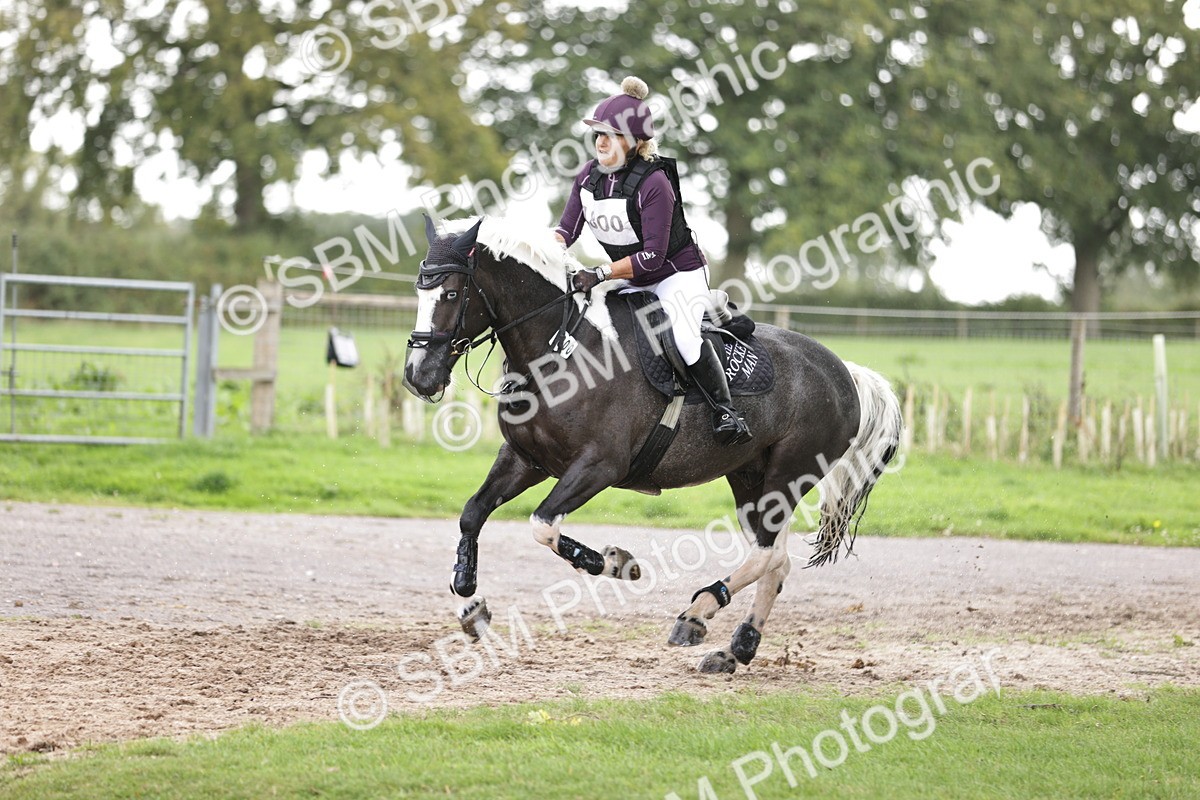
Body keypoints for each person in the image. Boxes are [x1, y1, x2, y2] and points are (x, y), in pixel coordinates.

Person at [553, 76, 752, 445]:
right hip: (628, 275)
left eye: (610, 134)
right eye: (598, 133)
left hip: (675, 273)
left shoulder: (654, 182)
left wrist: (598, 273)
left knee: (686, 340)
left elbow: (652, 256)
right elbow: (566, 231)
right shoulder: (587, 177)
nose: (601, 141)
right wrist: (538, 255)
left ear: (634, 141)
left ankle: (726, 413)